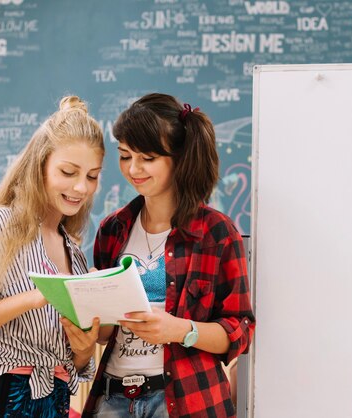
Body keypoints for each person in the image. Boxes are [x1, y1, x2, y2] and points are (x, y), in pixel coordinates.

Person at [82, 93, 255, 418]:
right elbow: (107, 334)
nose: (133, 169)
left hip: (185, 400)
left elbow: (239, 330)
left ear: (179, 158)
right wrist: (90, 304)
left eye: (147, 157)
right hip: (114, 398)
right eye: (124, 155)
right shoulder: (112, 229)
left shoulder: (217, 233)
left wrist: (180, 330)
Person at [0, 96, 104, 417]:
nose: (81, 187)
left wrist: (83, 352)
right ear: (40, 166)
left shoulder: (76, 254)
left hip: (57, 402)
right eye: (68, 172)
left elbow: (79, 365)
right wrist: (38, 296)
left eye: (92, 176)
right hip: (3, 398)